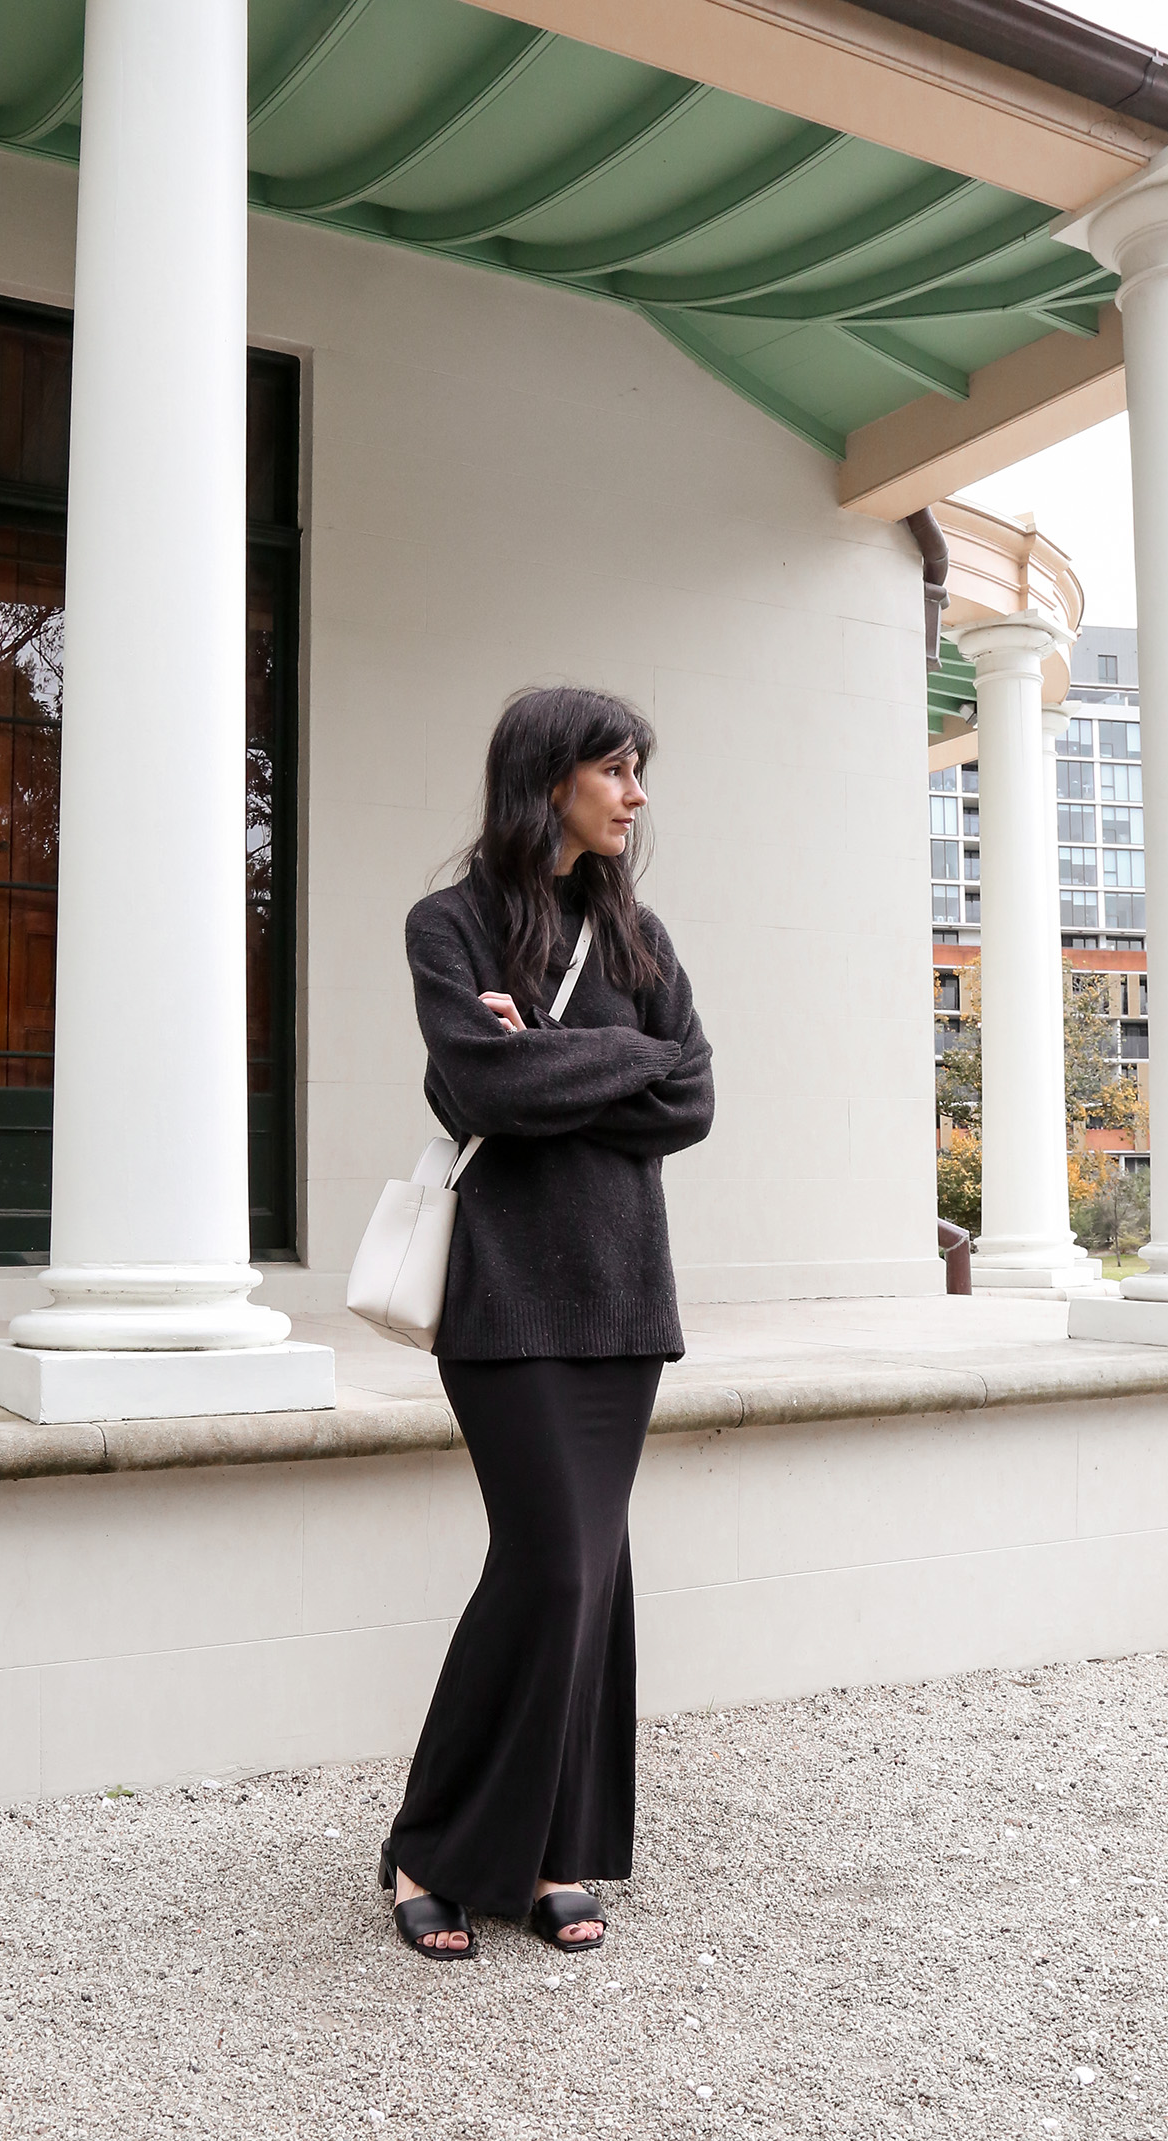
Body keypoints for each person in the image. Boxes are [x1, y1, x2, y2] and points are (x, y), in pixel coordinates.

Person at [378, 685, 715, 1960]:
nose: (636, 796)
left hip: (624, 1292)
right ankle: (431, 1841)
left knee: (596, 1576)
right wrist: (628, 1057)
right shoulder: (448, 925)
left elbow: (692, 1100)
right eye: (618, 771)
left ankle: (551, 1853)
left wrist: (569, 1054)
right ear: (549, 779)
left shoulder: (642, 938)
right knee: (552, 1565)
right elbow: (478, 1084)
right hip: (506, 1292)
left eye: (638, 774)